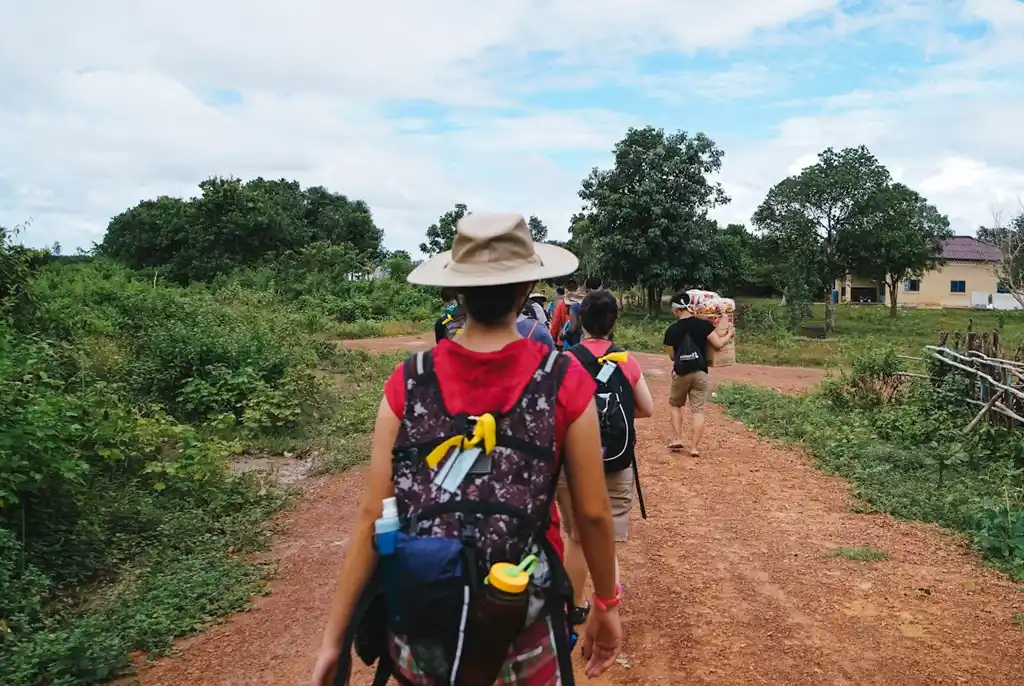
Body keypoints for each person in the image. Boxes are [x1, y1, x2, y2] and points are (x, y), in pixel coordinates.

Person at [311, 213, 622, 686]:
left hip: (426, 619)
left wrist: (334, 640)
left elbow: (373, 513)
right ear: (527, 287)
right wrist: (605, 603)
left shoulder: (409, 380)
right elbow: (594, 514)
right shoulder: (563, 378)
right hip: (522, 617)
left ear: (456, 290)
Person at [556, 289, 654, 627]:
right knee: (606, 538)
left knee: (576, 537)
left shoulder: (565, 362)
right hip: (615, 461)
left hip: (573, 464)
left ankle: (575, 605)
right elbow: (647, 408)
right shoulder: (625, 360)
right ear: (614, 322)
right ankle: (607, 606)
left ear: (580, 319)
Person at [662, 290, 734, 456]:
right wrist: (729, 334)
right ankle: (694, 448)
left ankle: (678, 438)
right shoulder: (703, 325)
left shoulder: (672, 330)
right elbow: (718, 344)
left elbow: (672, 356)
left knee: (675, 405)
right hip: (700, 372)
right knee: (698, 410)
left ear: (676, 310)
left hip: (681, 373)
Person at [548, 279, 578, 347]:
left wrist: (552, 338)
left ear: (566, 290)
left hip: (563, 340)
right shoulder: (582, 303)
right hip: (578, 341)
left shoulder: (561, 304)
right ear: (577, 289)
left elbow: (555, 323)